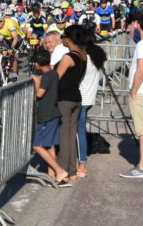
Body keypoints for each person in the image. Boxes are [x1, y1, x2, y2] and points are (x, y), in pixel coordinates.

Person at [30, 49, 68, 183]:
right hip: (53, 113)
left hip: (45, 115)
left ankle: (60, 171)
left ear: (37, 64)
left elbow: (39, 94)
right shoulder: (54, 73)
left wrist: (36, 82)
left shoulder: (46, 76)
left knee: (37, 146)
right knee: (49, 145)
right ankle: (52, 174)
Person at [54, 25, 87, 181]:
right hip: (76, 97)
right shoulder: (83, 55)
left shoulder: (68, 57)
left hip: (65, 99)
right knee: (71, 135)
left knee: (64, 136)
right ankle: (72, 171)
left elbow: (56, 78)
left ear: (69, 39)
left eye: (63, 37)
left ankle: (63, 171)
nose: (62, 39)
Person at [76, 35, 106, 178]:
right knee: (80, 131)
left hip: (82, 99)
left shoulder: (85, 59)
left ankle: (82, 165)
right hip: (89, 99)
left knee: (79, 132)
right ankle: (80, 163)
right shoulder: (96, 57)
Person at [126, 22, 143, 178]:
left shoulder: (141, 45)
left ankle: (142, 166)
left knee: (142, 132)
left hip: (140, 92)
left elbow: (141, 70)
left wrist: (133, 90)